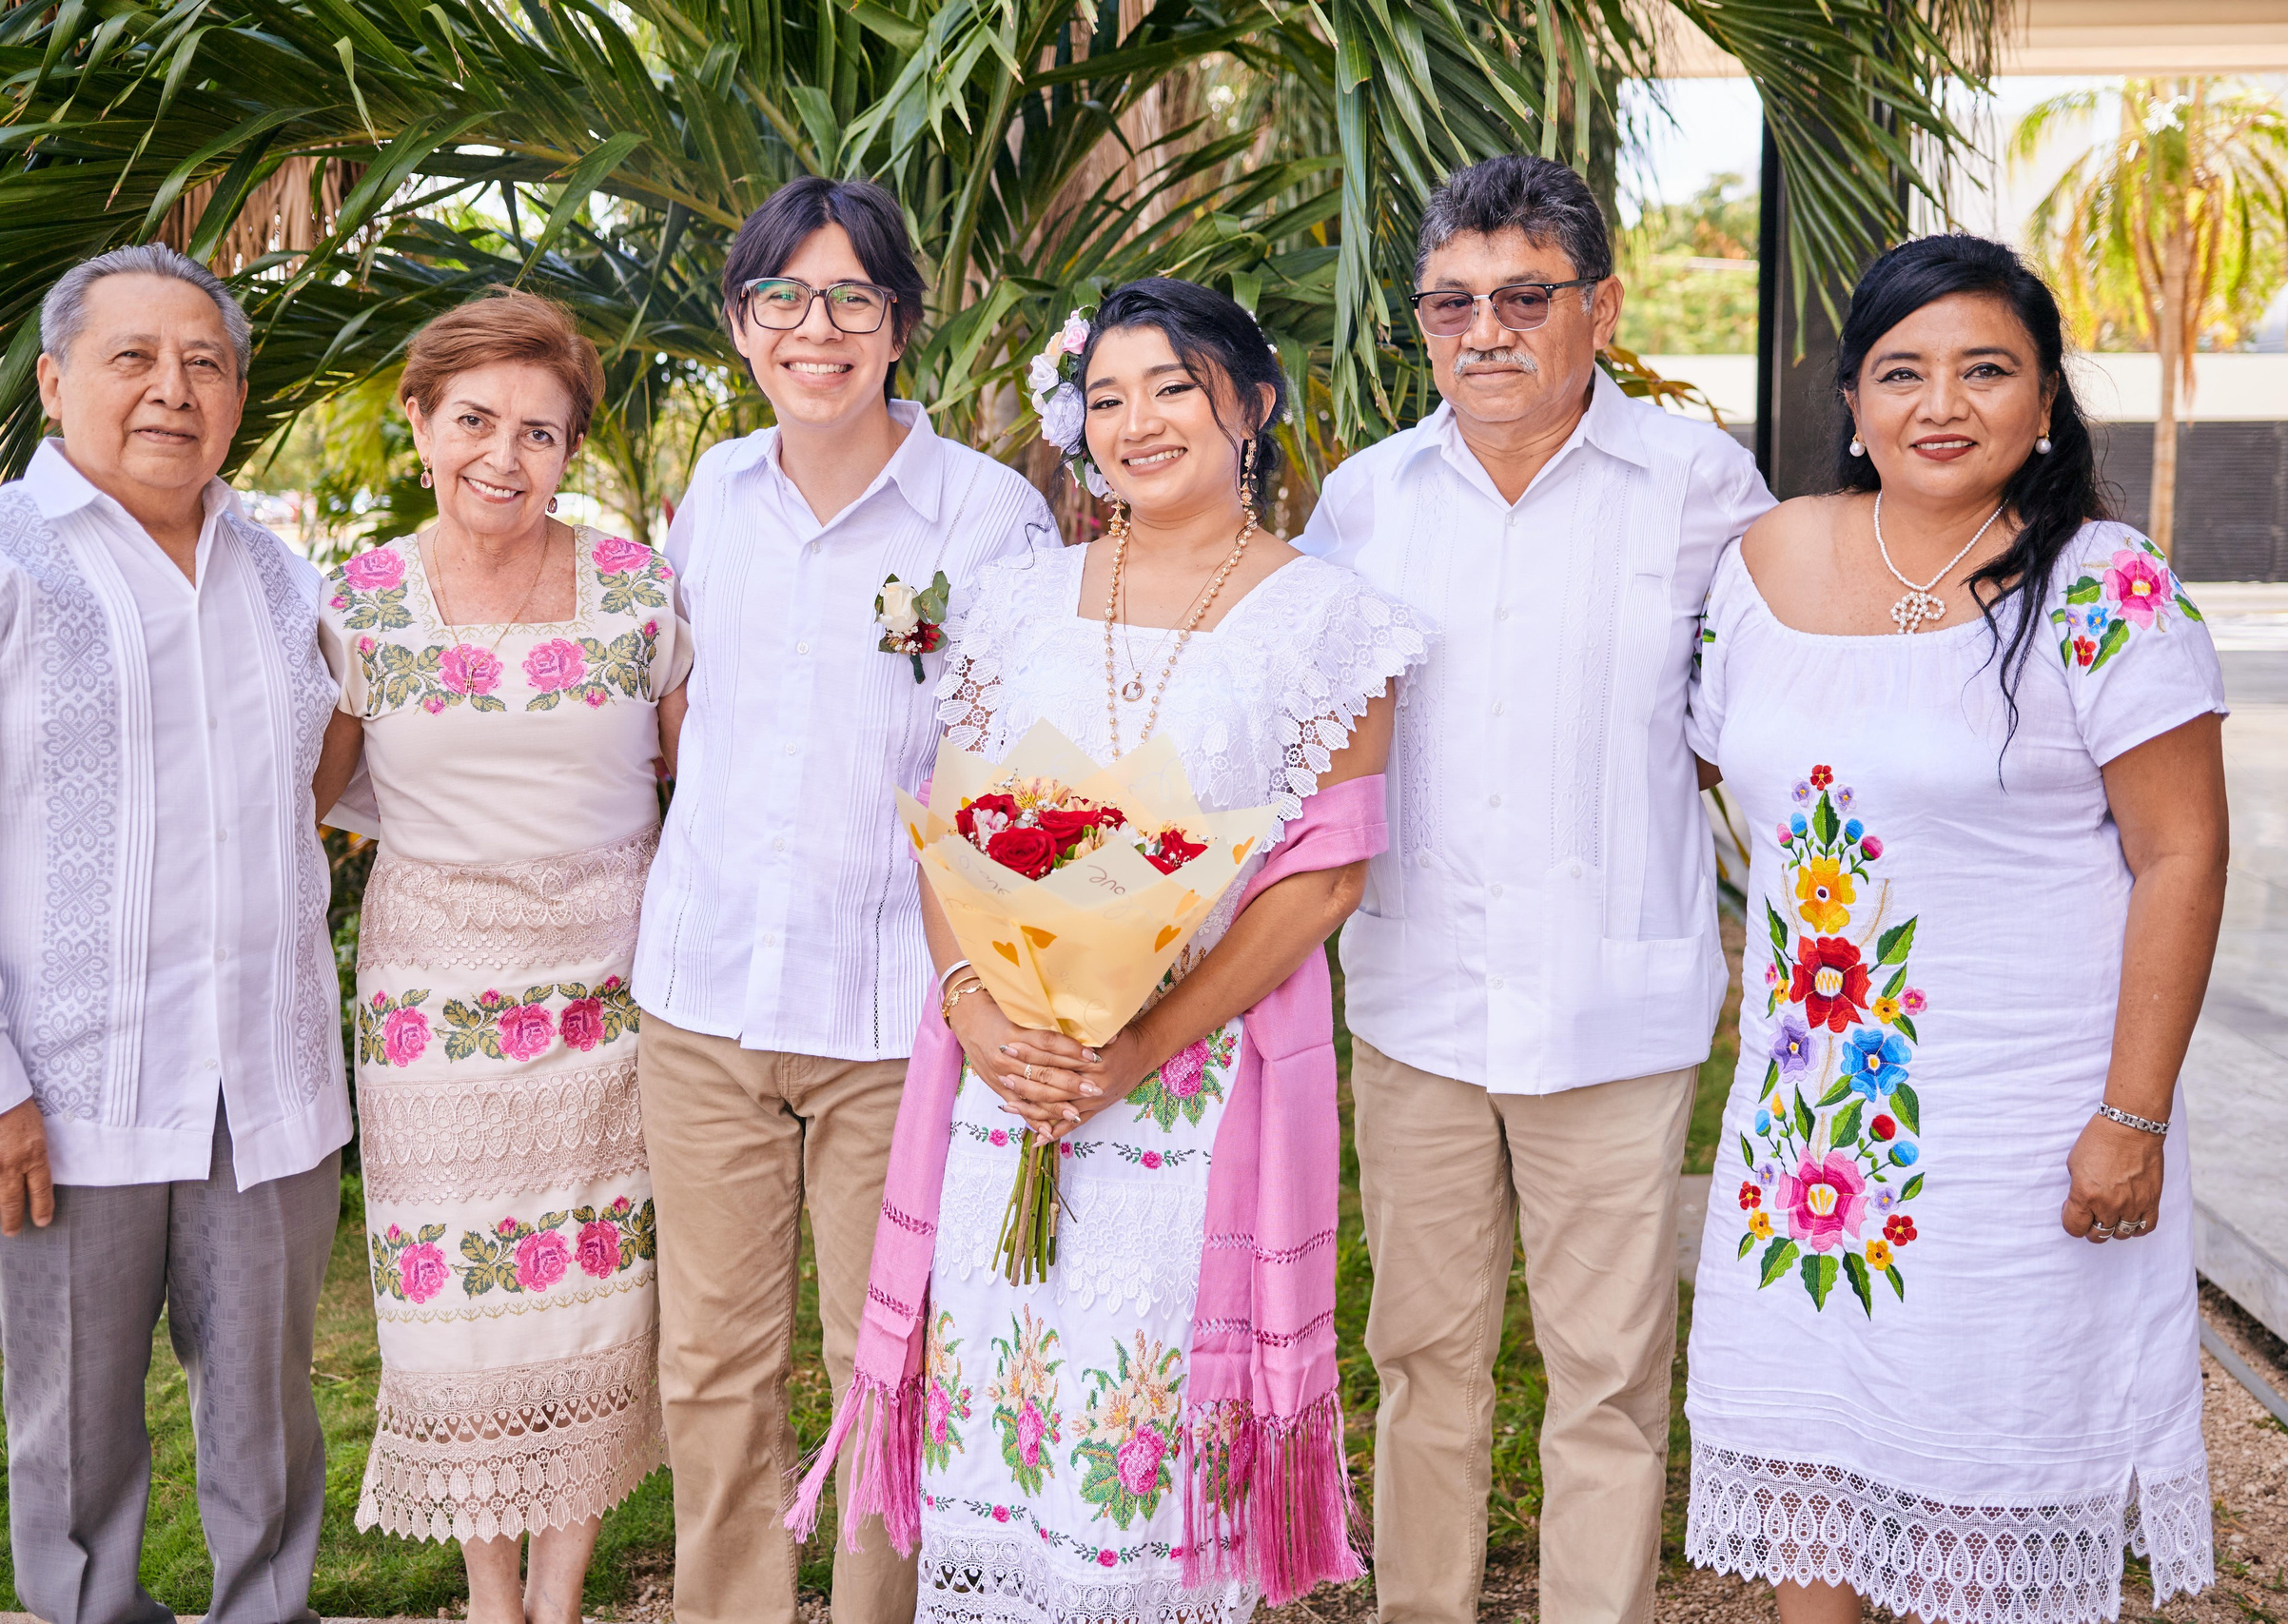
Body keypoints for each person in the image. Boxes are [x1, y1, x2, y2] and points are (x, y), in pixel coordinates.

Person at [792, 276, 1428, 1621]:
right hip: (1009, 1084)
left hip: (1194, 1094)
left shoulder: (1337, 624)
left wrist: (1136, 1040)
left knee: (1143, 1456)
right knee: (1004, 1436)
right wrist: (976, 1012)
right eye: (1107, 397)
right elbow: (951, 830)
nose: (1136, 422)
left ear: (1250, 404)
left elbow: (1322, 886)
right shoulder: (1020, 601)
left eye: (1173, 388)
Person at [1682, 233, 2223, 1624]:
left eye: (1988, 369)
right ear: (1852, 404)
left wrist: (2136, 1115)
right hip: (1810, 1138)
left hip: (2029, 1141)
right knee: (1814, 1458)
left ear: (2045, 403)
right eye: (1902, 371)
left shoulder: (2108, 588)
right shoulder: (1757, 565)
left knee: (1990, 1486)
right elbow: (1717, 772)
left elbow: (2182, 855)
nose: (1943, 403)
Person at [1294, 153, 1778, 1624]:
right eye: (1450, 304)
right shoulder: (1363, 502)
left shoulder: (1703, 488)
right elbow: (1307, 734)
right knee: (1423, 1360)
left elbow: (1751, 725)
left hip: (1611, 1010)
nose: (1485, 331)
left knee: (1611, 1378)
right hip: (1416, 1001)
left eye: (1523, 296)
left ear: (1601, 306)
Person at [0, 245, 348, 1624]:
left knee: (269, 1423)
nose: (170, 390)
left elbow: (341, 778)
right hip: (58, 1095)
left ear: (239, 396)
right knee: (71, 1443)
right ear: (58, 379)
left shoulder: (285, 580)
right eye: (133, 358)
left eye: (204, 363)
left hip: (267, 1081)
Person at [629, 175, 1060, 1624]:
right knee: (713, 1366)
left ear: (899, 325)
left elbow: (1006, 773)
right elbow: (679, 720)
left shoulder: (987, 520)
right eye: (784, 299)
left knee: (894, 1363)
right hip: (703, 1000)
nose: (818, 329)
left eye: (852, 298)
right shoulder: (706, 501)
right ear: (743, 325)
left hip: (896, 1016)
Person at [308, 289, 688, 1622]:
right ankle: (491, 1596)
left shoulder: (639, 588)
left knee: (600, 1299)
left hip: (612, 1004)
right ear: (418, 423)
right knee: (455, 1313)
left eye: (539, 430)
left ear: (572, 447)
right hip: (433, 1017)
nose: (503, 457)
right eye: (474, 420)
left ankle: (564, 1594)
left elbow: (697, 789)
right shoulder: (358, 607)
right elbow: (306, 803)